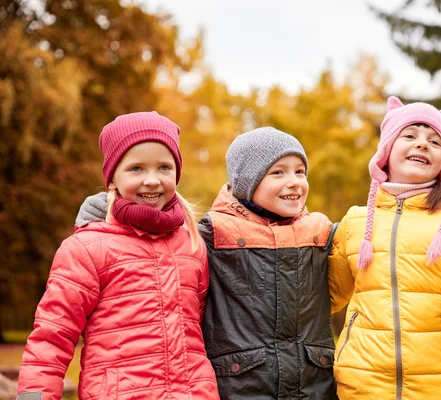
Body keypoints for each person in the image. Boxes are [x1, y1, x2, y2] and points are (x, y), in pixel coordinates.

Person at [74, 126, 337, 399]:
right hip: (242, 386)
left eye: (300, 171)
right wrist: (106, 209)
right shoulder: (213, 233)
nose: (294, 181)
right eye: (278, 172)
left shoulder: (319, 231)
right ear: (248, 180)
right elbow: (159, 252)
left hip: (313, 384)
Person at [17, 112, 219, 400]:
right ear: (112, 177)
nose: (152, 180)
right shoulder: (87, 248)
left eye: (164, 167)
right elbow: (53, 334)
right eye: (136, 169)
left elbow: (200, 329)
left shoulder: (192, 245)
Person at [328, 97, 441, 399]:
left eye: (435, 141)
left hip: (438, 386)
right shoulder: (355, 221)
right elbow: (325, 298)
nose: (422, 144)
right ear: (386, 152)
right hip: (360, 384)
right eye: (409, 136)